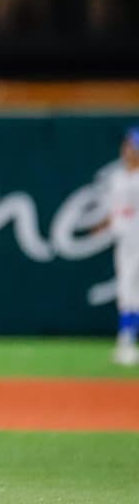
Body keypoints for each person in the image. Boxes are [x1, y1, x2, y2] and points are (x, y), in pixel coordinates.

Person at [106, 127, 139, 366]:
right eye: (127, 145)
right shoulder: (118, 176)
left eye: (133, 146)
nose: (128, 149)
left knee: (133, 290)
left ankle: (127, 341)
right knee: (124, 290)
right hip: (122, 240)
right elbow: (115, 210)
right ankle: (125, 341)